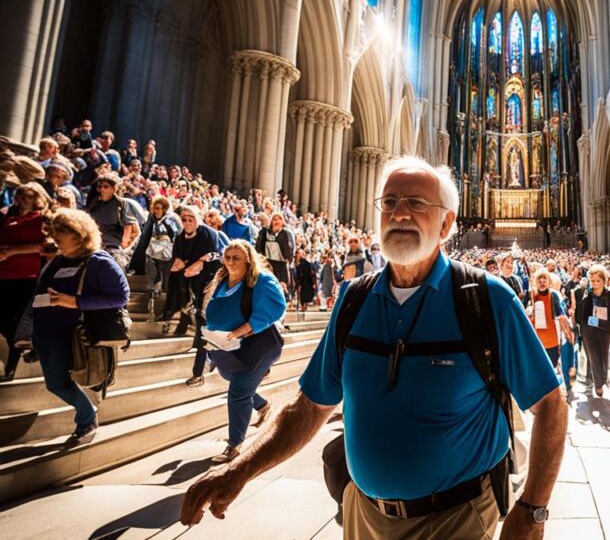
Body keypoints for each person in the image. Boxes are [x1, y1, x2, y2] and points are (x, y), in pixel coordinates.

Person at [181, 157, 567, 539]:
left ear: (447, 224)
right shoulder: (353, 299)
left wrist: (533, 509)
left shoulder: (487, 299)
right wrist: (242, 468)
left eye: (416, 203)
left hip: (456, 519)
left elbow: (550, 405)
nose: (400, 213)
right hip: (362, 516)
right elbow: (310, 406)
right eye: (389, 202)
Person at [31, 209, 129, 446]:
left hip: (71, 335)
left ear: (79, 235)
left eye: (61, 235)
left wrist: (74, 301)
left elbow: (121, 296)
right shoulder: (58, 261)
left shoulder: (100, 262)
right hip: (44, 333)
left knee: (56, 383)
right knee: (55, 382)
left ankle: (87, 418)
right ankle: (87, 416)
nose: (56, 240)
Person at [201, 241, 287, 463]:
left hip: (258, 345)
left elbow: (278, 306)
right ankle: (262, 404)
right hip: (228, 346)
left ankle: (235, 444)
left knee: (238, 392)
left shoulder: (262, 280)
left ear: (248, 259)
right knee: (233, 380)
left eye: (236, 257)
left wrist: (246, 328)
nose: (230, 261)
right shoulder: (221, 282)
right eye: (227, 257)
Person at [168, 206, 225, 386]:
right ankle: (210, 360)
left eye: (190, 219)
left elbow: (217, 256)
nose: (187, 223)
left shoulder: (209, 234)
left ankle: (198, 372)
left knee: (205, 325)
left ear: (197, 219)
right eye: (184, 219)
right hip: (189, 286)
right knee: (203, 325)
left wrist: (200, 262)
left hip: (209, 285)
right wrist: (179, 263)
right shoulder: (179, 238)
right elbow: (177, 258)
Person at [0, 184, 50, 381]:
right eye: (20, 196)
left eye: (28, 197)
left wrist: (12, 251)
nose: (23, 200)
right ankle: (31, 345)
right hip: (3, 275)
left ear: (36, 198)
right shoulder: (7, 217)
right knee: (6, 323)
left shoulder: (40, 219)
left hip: (26, 276)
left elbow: (46, 246)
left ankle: (11, 368)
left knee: (17, 321)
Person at [577, 265, 610, 402]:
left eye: (597, 280)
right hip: (590, 330)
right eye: (592, 280)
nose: (594, 283)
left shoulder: (609, 295)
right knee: (594, 357)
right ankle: (598, 384)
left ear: (604, 281)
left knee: (604, 356)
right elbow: (582, 315)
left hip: (605, 330)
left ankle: (604, 376)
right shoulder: (587, 295)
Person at [128, 196, 181, 298]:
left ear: (164, 209)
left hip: (167, 252)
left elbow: (175, 235)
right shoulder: (152, 220)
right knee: (152, 272)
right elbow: (145, 236)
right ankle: (153, 292)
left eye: (160, 208)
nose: (157, 211)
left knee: (166, 279)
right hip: (153, 250)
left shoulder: (170, 219)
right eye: (155, 208)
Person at [527, 269, 574, 372]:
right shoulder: (531, 294)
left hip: (552, 339)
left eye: (545, 280)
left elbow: (561, 312)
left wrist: (563, 318)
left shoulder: (553, 295)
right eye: (539, 280)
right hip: (536, 339)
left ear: (548, 282)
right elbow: (524, 311)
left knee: (551, 366)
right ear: (535, 282)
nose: (542, 282)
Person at [85, 173, 139, 261]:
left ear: (114, 189)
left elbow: (135, 231)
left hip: (114, 249)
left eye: (106, 187)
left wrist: (124, 247)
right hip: (95, 247)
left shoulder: (122, 205)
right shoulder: (94, 204)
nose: (102, 189)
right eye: (100, 187)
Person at [254, 211, 295, 290]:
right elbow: (259, 248)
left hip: (281, 266)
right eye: (274, 219)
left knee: (281, 288)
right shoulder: (264, 232)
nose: (277, 221)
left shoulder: (286, 233)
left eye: (279, 219)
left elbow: (289, 251)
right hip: (268, 264)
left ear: (283, 222)